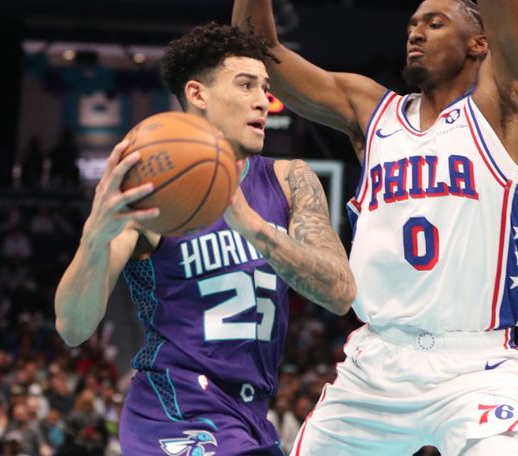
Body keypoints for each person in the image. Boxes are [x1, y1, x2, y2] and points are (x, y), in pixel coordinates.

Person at [232, 0, 518, 455]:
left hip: (474, 365)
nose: (417, 32)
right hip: (375, 361)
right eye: (412, 23)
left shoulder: (506, 109)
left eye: (435, 22)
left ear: (480, 43)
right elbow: (257, 53)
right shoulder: (371, 112)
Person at [55, 22, 356, 455]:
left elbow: (341, 293)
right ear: (198, 94)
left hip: (250, 415)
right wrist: (94, 238)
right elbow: (73, 327)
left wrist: (252, 225)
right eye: (246, 85)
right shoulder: (152, 191)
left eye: (265, 87)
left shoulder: (290, 179)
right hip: (174, 407)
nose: (263, 101)